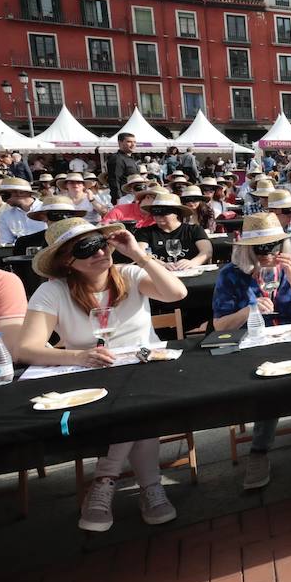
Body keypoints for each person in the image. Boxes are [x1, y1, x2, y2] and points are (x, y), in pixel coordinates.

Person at [20, 218, 188, 532]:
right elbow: (27, 348)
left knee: (137, 405)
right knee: (135, 410)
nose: (99, 252)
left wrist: (136, 253)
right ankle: (151, 487)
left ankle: (105, 478)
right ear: (67, 261)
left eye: (101, 242)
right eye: (86, 248)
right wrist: (78, 356)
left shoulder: (130, 274)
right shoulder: (53, 291)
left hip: (143, 369)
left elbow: (176, 293)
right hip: (92, 376)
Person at [211, 213, 291, 489]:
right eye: (261, 248)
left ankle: (260, 450)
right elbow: (219, 324)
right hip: (252, 345)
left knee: (284, 374)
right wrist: (250, 309)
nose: (268, 254)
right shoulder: (231, 275)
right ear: (248, 249)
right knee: (269, 379)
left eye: (274, 246)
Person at [135, 192, 211, 269]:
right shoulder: (145, 232)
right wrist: (162, 265)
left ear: (177, 213)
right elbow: (141, 254)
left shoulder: (194, 230)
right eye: (154, 212)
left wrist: (193, 262)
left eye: (164, 212)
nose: (158, 216)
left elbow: (206, 252)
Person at [0, 176, 42, 244]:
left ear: (21, 193)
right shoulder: (5, 216)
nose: (4, 200)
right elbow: (5, 243)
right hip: (19, 253)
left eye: (5, 195)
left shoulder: (46, 210)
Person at [105, 132, 139, 200]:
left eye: (134, 142)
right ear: (120, 143)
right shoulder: (117, 158)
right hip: (124, 198)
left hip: (133, 196)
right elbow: (114, 180)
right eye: (129, 142)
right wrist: (118, 199)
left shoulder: (131, 159)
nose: (133, 144)